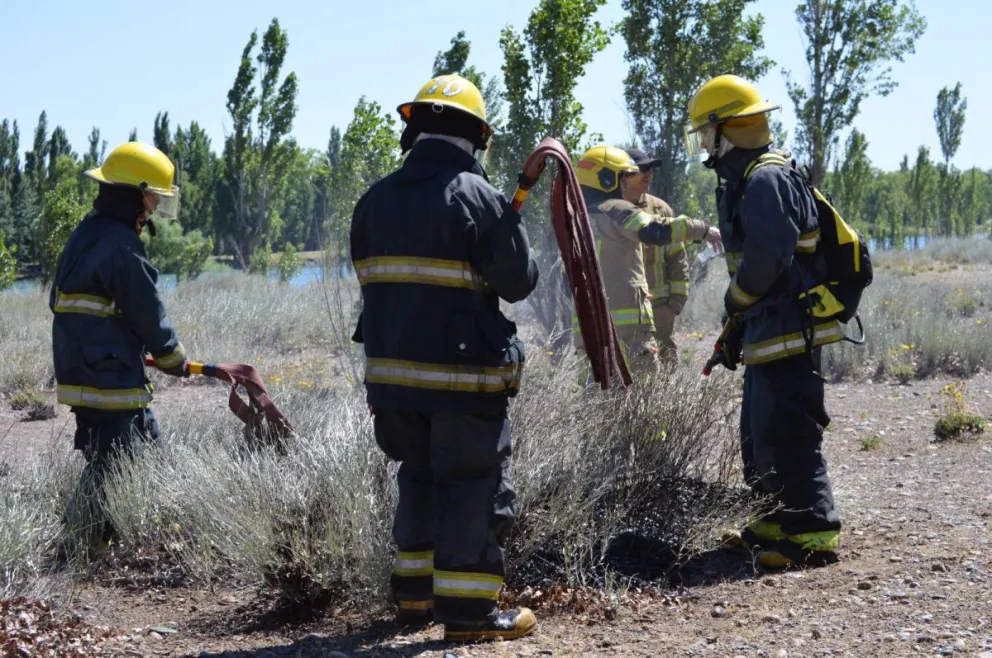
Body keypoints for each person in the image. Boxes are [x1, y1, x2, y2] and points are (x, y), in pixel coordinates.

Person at [350, 74, 540, 642]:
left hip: (392, 384)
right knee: (470, 480)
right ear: (477, 137)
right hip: (462, 380)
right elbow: (518, 282)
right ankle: (470, 614)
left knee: (419, 473)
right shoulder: (474, 195)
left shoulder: (374, 199)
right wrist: (509, 222)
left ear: (416, 130)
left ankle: (414, 596)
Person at [684, 74, 843, 568]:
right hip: (767, 329)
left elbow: (768, 260)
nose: (704, 144)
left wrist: (734, 301)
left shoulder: (767, 178)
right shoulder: (747, 176)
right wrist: (738, 325)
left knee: (790, 430)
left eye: (705, 133)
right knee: (759, 431)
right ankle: (773, 519)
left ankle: (812, 531)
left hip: (790, 330)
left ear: (724, 129)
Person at [50, 141, 190, 555]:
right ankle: (77, 546)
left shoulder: (86, 232)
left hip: (83, 371)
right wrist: (173, 359)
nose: (151, 210)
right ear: (132, 194)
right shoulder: (123, 245)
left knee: (138, 450)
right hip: (108, 376)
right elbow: (147, 311)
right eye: (150, 199)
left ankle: (128, 538)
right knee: (115, 463)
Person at [575, 145, 721, 379]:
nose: (626, 184)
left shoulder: (575, 214)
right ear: (605, 178)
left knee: (598, 403)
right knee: (645, 397)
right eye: (623, 177)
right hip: (629, 332)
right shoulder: (616, 208)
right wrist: (703, 229)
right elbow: (653, 229)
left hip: (587, 331)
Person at [622, 148, 691, 368]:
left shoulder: (661, 210)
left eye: (650, 169)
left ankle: (668, 403)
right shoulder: (610, 211)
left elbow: (677, 257)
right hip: (623, 313)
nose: (648, 174)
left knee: (664, 369)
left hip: (660, 310)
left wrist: (675, 304)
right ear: (624, 174)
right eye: (641, 169)